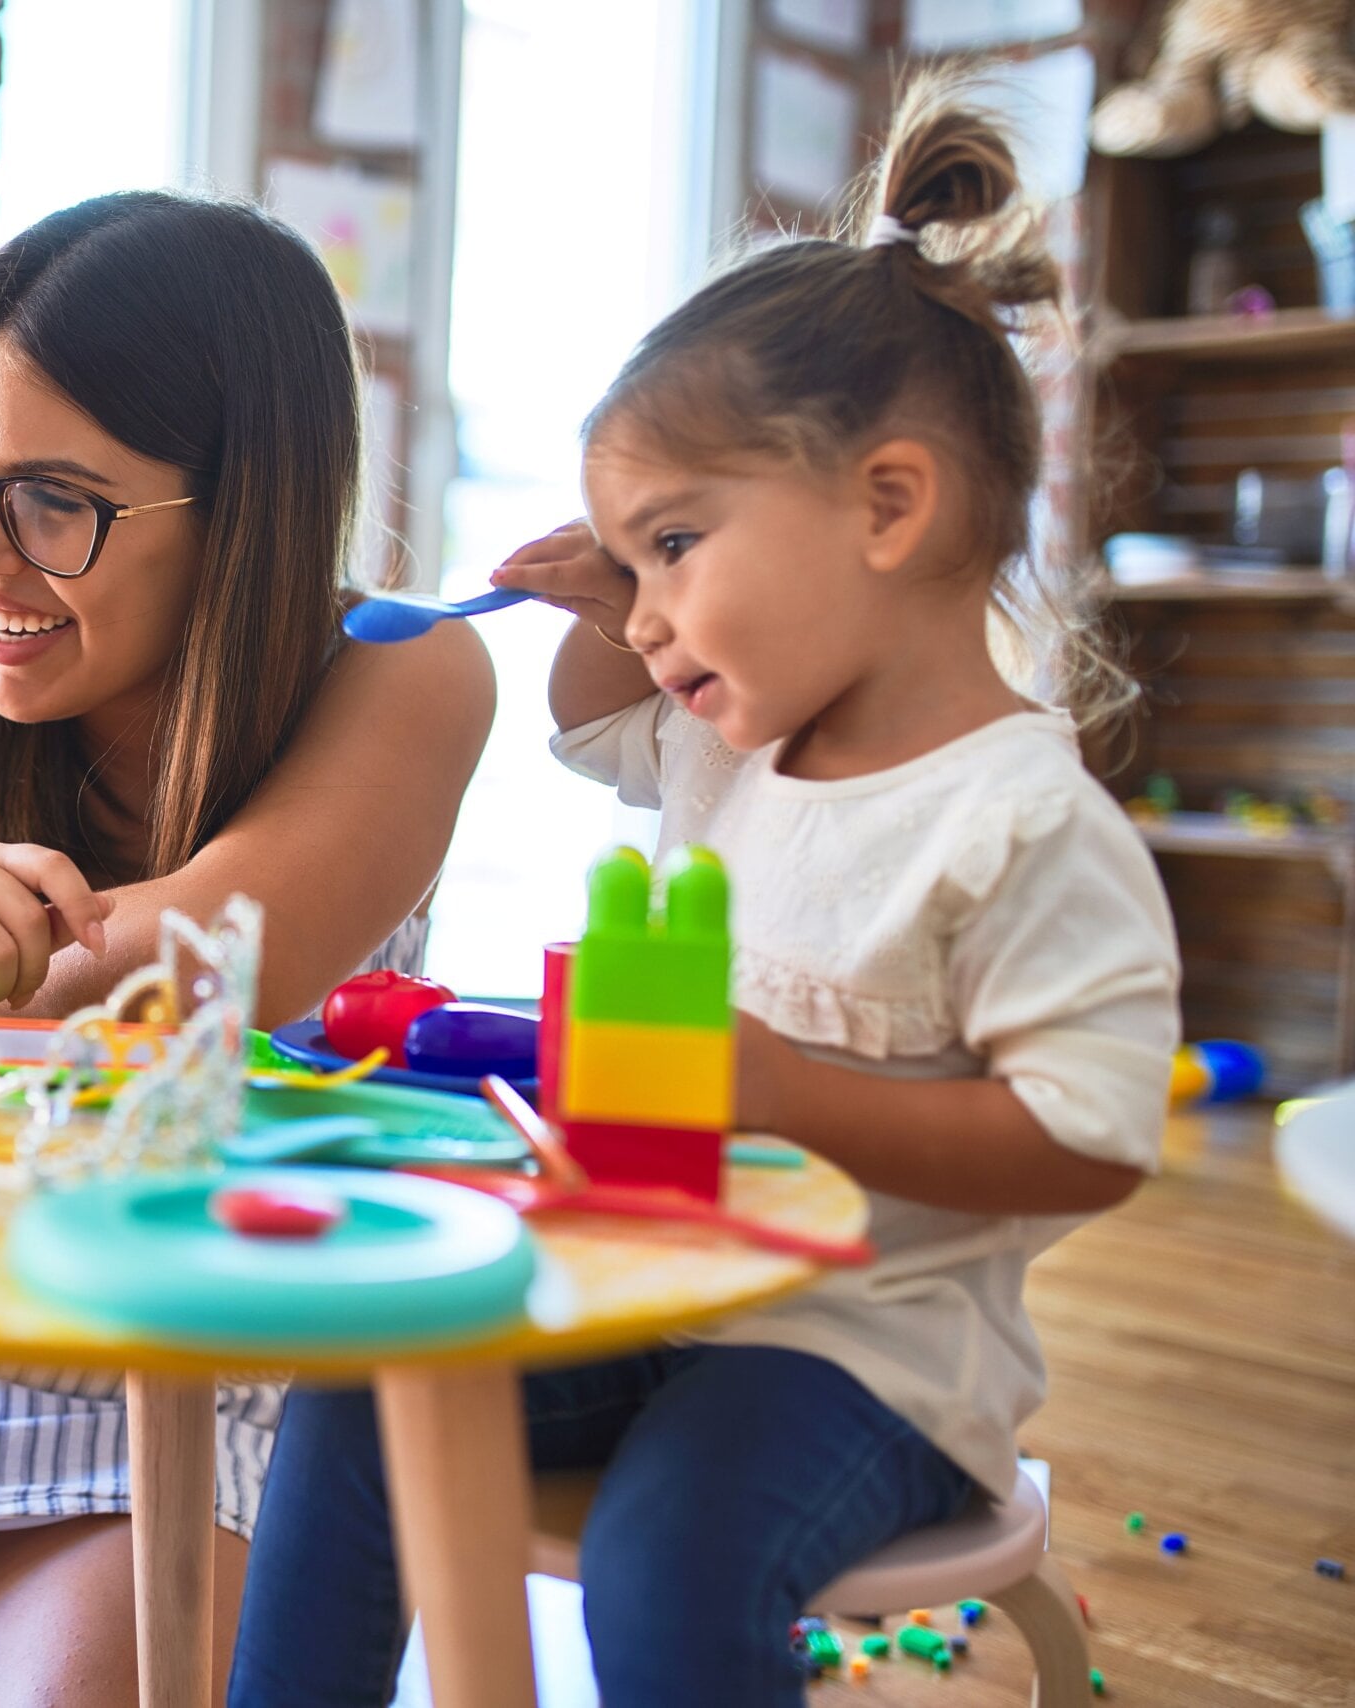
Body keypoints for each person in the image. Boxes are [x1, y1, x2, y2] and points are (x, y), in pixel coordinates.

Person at [228, 78, 1181, 1708]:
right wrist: (618, 580)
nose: (650, 615)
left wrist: (791, 1095)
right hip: (654, 1289)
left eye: (679, 546)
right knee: (360, 1396)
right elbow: (584, 715)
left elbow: (1091, 1140)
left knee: (666, 1552)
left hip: (869, 1356)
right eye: (634, 560)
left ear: (888, 506)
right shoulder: (731, 747)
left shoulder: (1018, 822)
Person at [0, 191, 494, 1705]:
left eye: (55, 499)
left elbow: (213, 952)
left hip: (205, 1342)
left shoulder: (404, 668)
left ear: (240, 508)